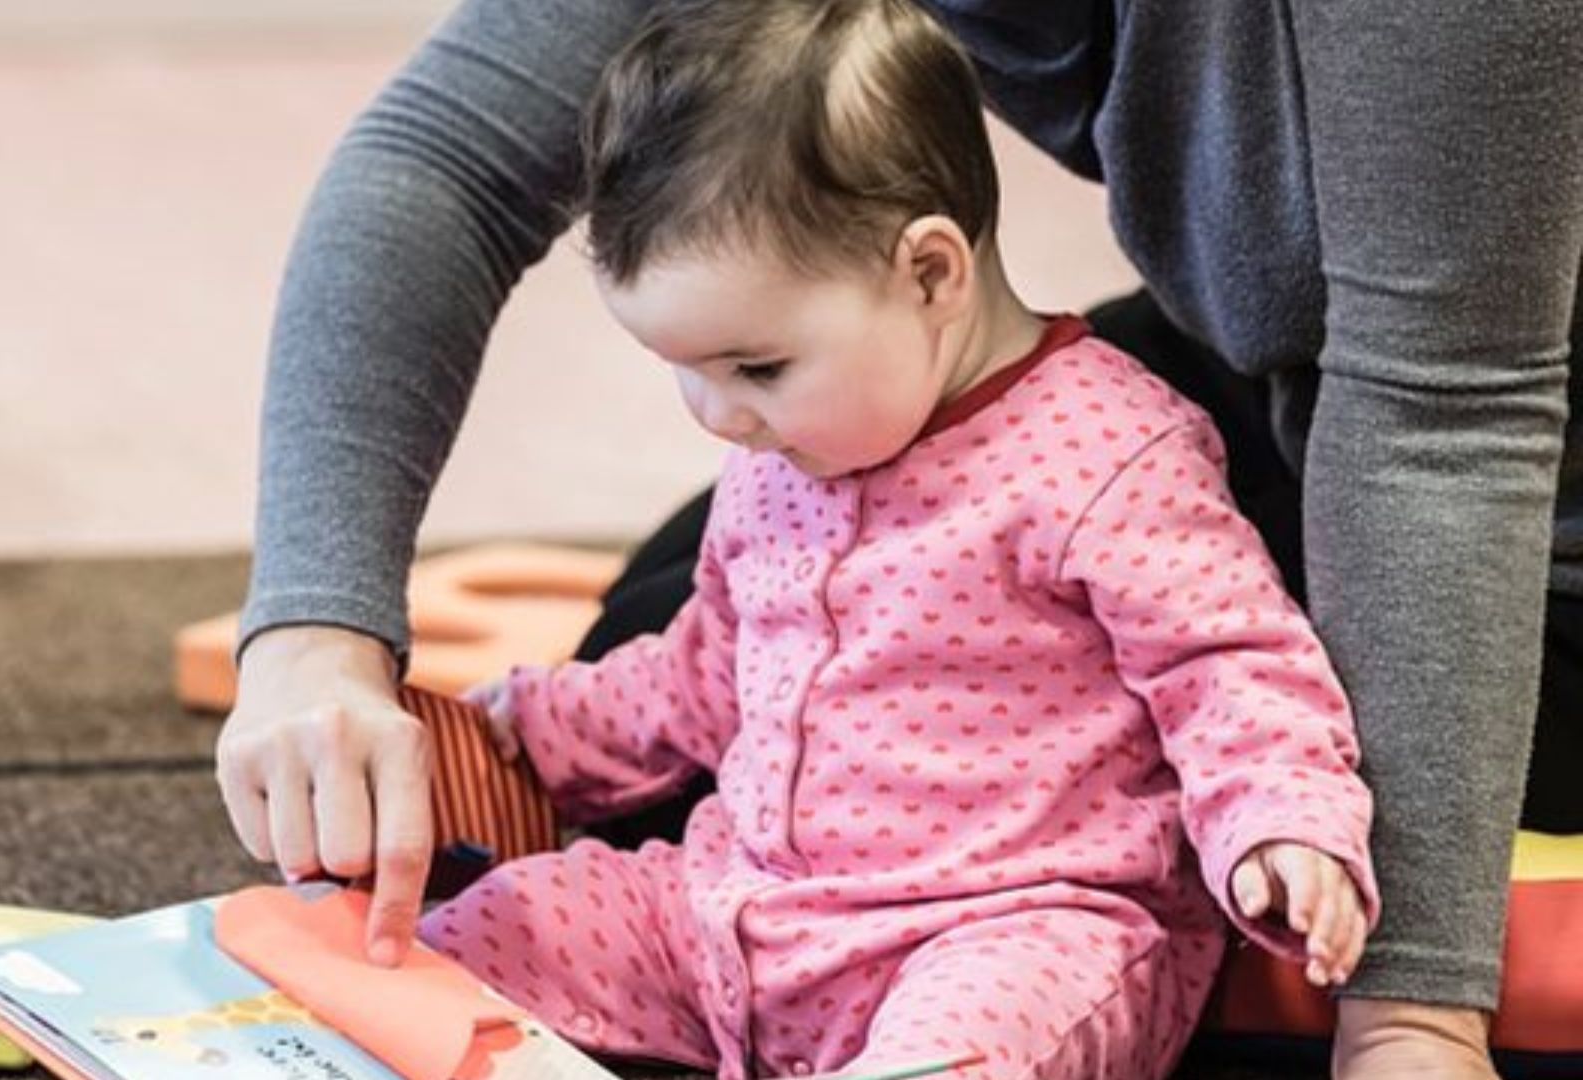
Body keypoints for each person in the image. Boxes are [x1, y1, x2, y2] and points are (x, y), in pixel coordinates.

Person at [213, 0, 1583, 1076]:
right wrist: (379, 677)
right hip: (775, 910)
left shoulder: (1113, 458)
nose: (716, 422)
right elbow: (446, 160)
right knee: (640, 663)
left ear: (931, 270)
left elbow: (1380, 489)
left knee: (1026, 989)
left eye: (754, 371)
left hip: (1490, 460)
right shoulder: (795, 465)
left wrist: (1408, 1006)